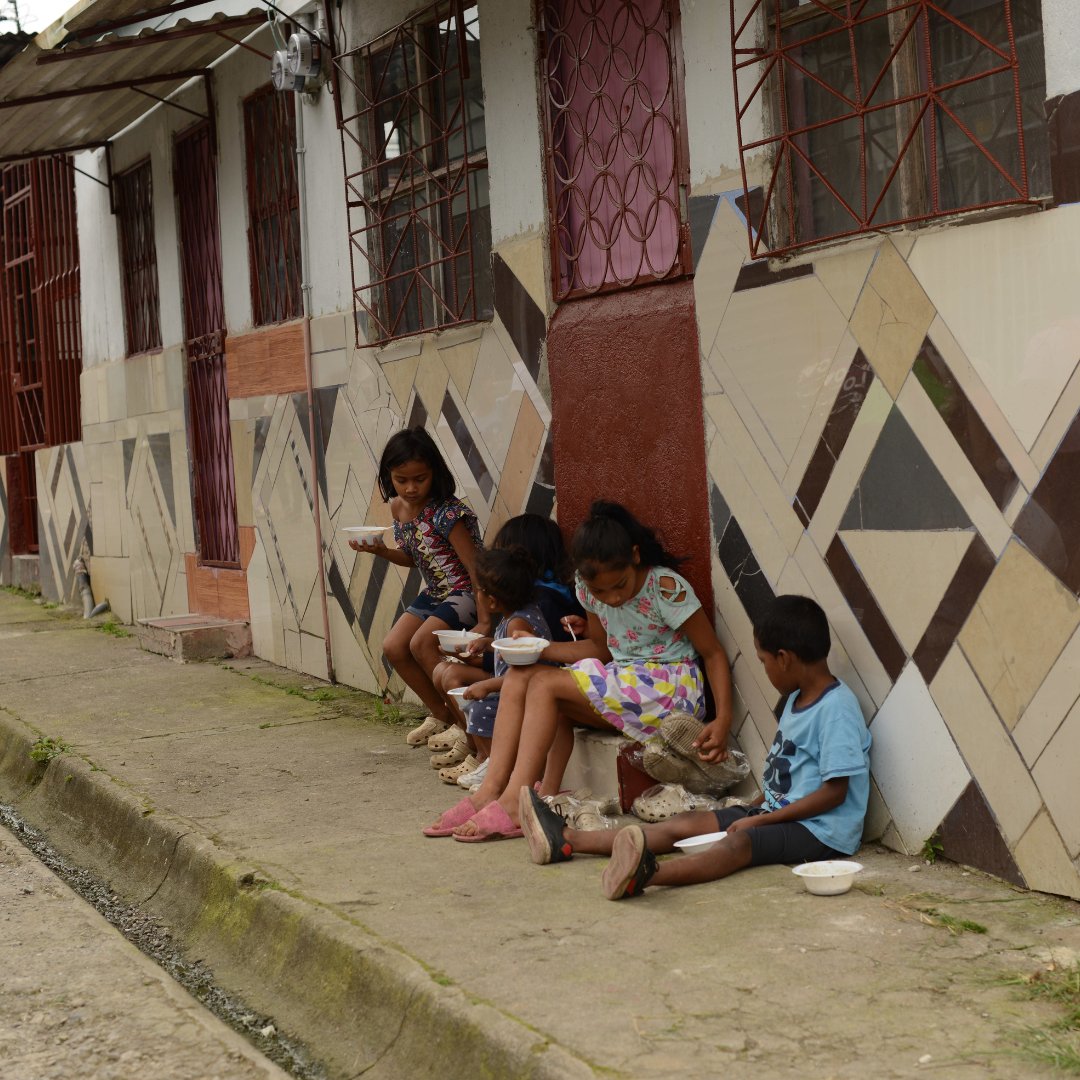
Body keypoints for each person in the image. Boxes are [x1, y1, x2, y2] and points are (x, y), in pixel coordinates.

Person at [519, 594, 872, 901]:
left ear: (784, 658)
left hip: (821, 831)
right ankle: (565, 839)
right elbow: (790, 777)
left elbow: (835, 793)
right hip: (779, 814)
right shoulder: (796, 698)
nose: (765, 670)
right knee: (688, 823)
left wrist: (764, 819)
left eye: (763, 661)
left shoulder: (836, 709)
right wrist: (755, 809)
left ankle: (644, 876)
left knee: (737, 846)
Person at [424, 500, 733, 841]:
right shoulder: (589, 589)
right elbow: (599, 649)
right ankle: (493, 792)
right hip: (625, 681)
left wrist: (723, 721)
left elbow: (713, 653)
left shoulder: (664, 587)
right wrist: (536, 645)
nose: (612, 598)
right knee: (521, 674)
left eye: (620, 586)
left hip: (669, 688)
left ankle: (514, 801)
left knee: (543, 684)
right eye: (601, 591)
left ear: (634, 556)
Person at [349, 427, 482, 746]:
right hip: (436, 594)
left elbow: (476, 569)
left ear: (435, 473)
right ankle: (442, 714)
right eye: (401, 479)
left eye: (419, 479)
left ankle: (469, 731)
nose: (410, 488)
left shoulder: (448, 512)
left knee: (421, 643)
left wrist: (487, 618)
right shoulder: (398, 509)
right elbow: (413, 557)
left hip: (466, 593)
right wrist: (380, 550)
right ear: (388, 477)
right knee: (394, 646)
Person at [432, 547, 553, 786]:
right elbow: (513, 658)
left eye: (479, 590)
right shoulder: (516, 615)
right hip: (516, 687)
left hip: (525, 693)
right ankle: (494, 762)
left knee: (479, 708)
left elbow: (522, 675)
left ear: (492, 600)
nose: (477, 594)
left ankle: (496, 764)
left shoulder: (517, 623)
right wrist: (490, 645)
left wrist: (487, 685)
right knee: (475, 702)